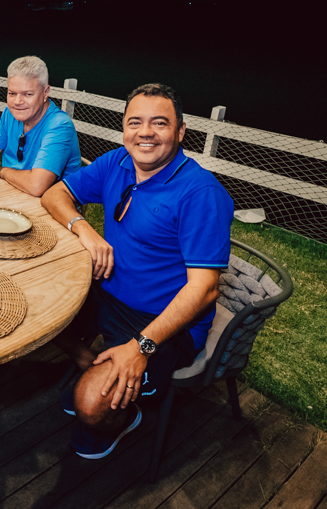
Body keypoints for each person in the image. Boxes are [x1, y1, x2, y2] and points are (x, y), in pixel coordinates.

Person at [40, 83, 234, 459]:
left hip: (164, 322)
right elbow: (54, 194)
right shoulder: (118, 162)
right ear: (125, 128)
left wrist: (141, 347)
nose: (145, 132)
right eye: (135, 122)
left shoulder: (200, 194)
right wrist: (85, 230)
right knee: (32, 310)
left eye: (159, 123)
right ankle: (90, 362)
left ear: (180, 131)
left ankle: (124, 415)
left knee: (90, 404)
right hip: (108, 293)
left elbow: (205, 289)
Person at [0, 56, 82, 197]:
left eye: (27, 94)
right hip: (12, 191)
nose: (17, 102)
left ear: (45, 92)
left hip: (48, 202)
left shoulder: (60, 126)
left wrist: (3, 172)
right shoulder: (10, 114)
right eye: (12, 93)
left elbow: (37, 186)